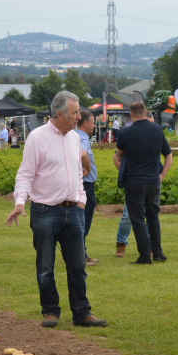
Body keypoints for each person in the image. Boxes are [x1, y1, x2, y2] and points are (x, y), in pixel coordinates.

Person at [5, 91, 106, 329]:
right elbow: (25, 174)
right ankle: (50, 311)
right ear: (59, 114)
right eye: (74, 112)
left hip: (74, 212)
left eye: (79, 111)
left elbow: (77, 173)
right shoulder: (37, 138)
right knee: (45, 266)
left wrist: (80, 199)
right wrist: (20, 201)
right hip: (45, 212)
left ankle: (82, 313)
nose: (79, 117)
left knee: (77, 266)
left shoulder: (74, 138)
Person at [114, 101, 172, 264]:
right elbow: (168, 155)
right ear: (146, 112)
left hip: (134, 182)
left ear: (131, 115)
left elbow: (118, 156)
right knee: (153, 216)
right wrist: (162, 176)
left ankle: (145, 256)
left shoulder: (125, 133)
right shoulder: (157, 130)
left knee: (138, 218)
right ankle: (158, 252)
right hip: (154, 180)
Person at [77, 111, 99, 267]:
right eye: (92, 123)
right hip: (85, 185)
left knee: (81, 220)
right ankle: (80, 257)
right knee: (83, 221)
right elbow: (83, 154)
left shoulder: (74, 135)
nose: (94, 126)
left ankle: (82, 254)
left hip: (81, 184)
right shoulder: (82, 137)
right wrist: (88, 168)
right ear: (85, 123)